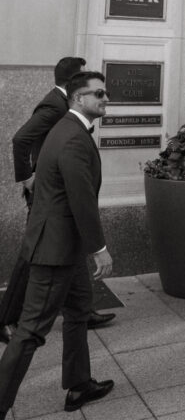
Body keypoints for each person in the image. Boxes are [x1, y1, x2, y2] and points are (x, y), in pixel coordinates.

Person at [0, 72, 115, 419]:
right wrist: (100, 248)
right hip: (55, 250)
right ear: (79, 98)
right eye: (99, 94)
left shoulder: (69, 130)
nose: (106, 99)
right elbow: (80, 198)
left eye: (106, 93)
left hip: (67, 247)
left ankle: (79, 385)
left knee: (79, 312)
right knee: (31, 330)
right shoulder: (72, 137)